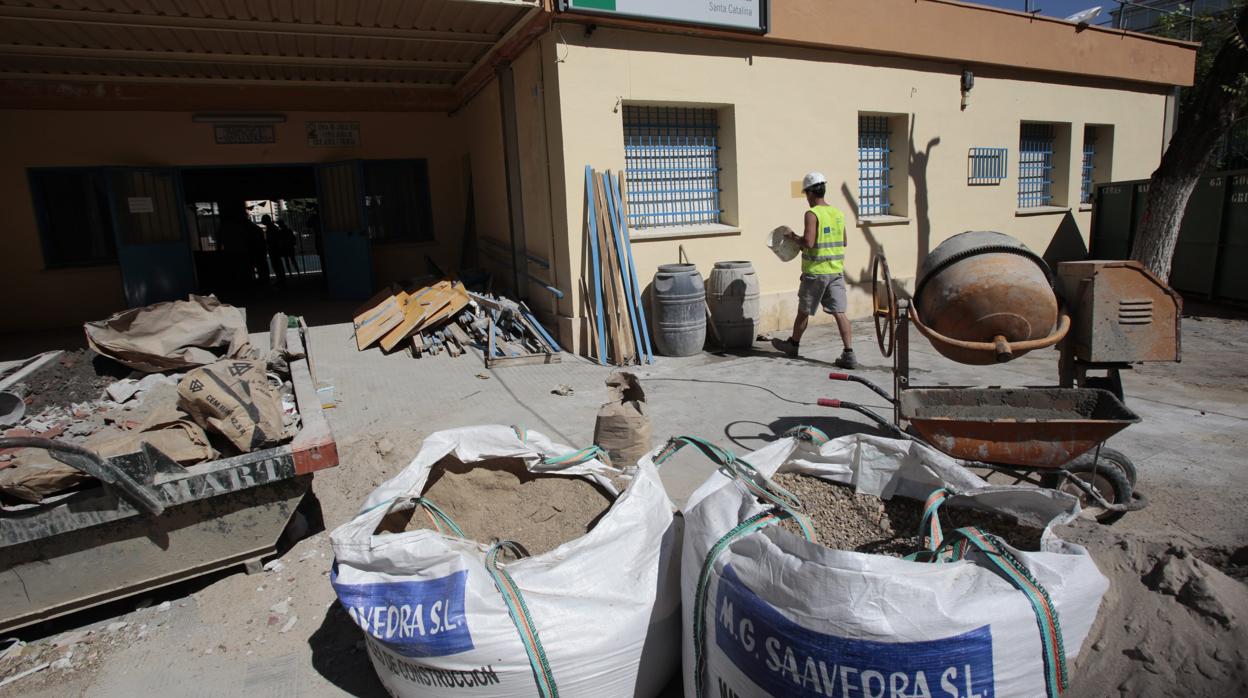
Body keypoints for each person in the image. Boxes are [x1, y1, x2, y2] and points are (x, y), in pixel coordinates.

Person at [775, 171, 858, 369]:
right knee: (840, 312)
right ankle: (849, 353)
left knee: (803, 311)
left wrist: (792, 236)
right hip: (836, 272)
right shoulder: (837, 213)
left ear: (811, 193)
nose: (806, 198)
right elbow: (844, 241)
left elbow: (809, 242)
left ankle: (793, 345)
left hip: (815, 274)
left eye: (806, 194)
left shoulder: (812, 214)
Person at [261, 214, 286, 286]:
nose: (262, 221)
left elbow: (272, 239)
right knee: (277, 265)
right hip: (275, 249)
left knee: (276, 265)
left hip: (274, 249)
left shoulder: (271, 228)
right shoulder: (273, 227)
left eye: (263, 220)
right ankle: (281, 280)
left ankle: (281, 280)